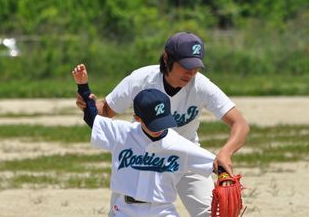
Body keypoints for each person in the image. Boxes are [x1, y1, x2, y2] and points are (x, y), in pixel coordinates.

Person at [75, 31, 249, 217]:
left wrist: (225, 152)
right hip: (139, 155)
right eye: (185, 66)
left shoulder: (200, 85)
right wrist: (88, 105)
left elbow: (240, 123)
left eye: (196, 67)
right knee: (124, 208)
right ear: (167, 59)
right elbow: (105, 112)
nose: (191, 73)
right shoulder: (141, 79)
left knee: (213, 213)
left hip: (184, 155)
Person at [72, 64, 216, 217]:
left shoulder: (178, 143)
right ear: (137, 118)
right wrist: (83, 87)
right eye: (154, 124)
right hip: (124, 209)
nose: (159, 128)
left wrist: (226, 178)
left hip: (161, 210)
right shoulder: (124, 133)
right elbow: (93, 119)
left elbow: (214, 163)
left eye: (163, 121)